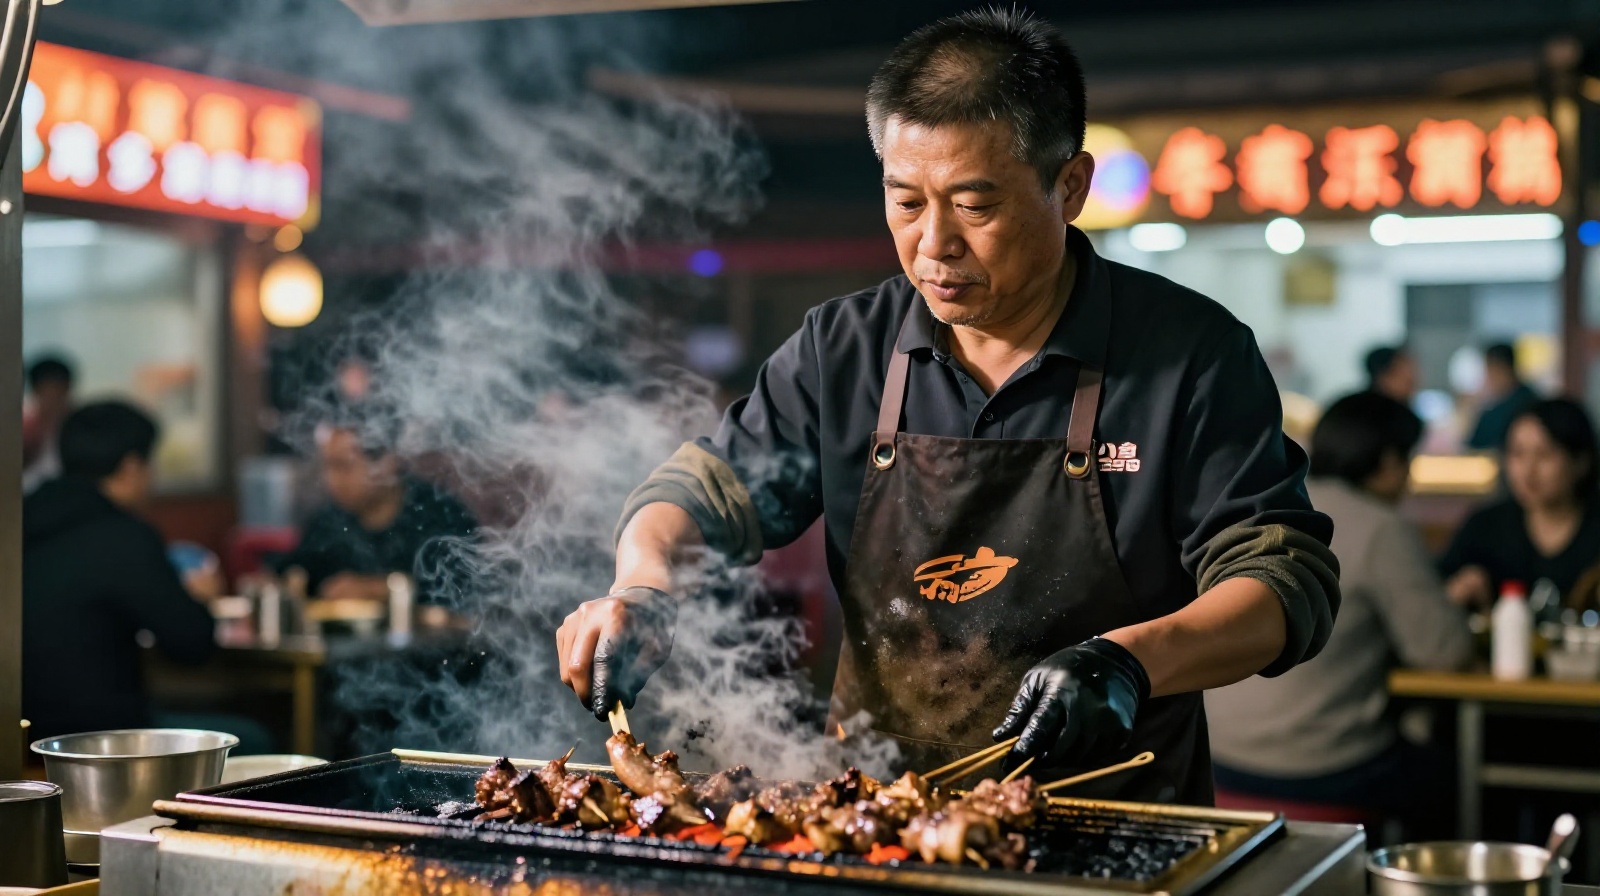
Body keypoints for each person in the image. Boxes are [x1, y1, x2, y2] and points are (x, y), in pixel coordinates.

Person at [554, 9, 1339, 806]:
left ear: (1069, 186)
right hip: (875, 819)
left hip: (1117, 820)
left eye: (974, 205)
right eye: (905, 202)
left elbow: (1281, 582)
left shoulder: (1190, 354)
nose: (934, 244)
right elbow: (699, 490)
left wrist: (1129, 662)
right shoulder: (845, 349)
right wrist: (641, 588)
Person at [1206, 392, 1471, 822]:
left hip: (1223, 758)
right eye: (1409, 462)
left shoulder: (1258, 508)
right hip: (1323, 766)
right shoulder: (1381, 527)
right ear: (1388, 463)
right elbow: (1444, 652)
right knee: (1450, 774)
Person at [21, 402, 248, 742]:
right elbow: (192, 645)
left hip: (23, 737)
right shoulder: (124, 535)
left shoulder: (21, 519)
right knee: (255, 738)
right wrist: (199, 598)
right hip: (102, 742)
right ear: (130, 467)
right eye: (150, 464)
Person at [278, 418, 479, 605]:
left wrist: (388, 589)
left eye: (343, 466)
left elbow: (468, 591)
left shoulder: (439, 513)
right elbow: (293, 571)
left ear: (388, 464)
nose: (331, 480)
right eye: (327, 467)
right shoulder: (330, 519)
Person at [1442, 398, 1600, 607]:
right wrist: (1458, 590)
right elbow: (1438, 595)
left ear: (1581, 461)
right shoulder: (1484, 527)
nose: (1528, 470)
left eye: (1544, 454)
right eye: (1517, 454)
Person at [1467, 342, 1540, 451]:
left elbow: (1474, 451)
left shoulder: (1496, 416)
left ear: (1500, 369)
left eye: (1489, 370)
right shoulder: (1534, 399)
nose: (1487, 378)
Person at [21, 354, 75, 494]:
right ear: (36, 391)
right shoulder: (26, 427)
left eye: (59, 393)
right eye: (48, 394)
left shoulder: (80, 427)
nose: (53, 401)